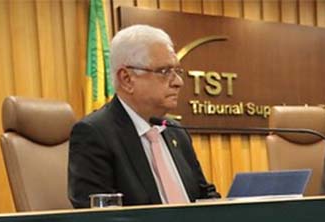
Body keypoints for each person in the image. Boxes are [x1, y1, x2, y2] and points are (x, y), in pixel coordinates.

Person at [68, 24, 219, 208]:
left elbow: (204, 194)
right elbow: (100, 218)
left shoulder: (176, 132)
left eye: (177, 72)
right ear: (127, 79)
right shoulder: (95, 134)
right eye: (164, 72)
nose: (178, 82)